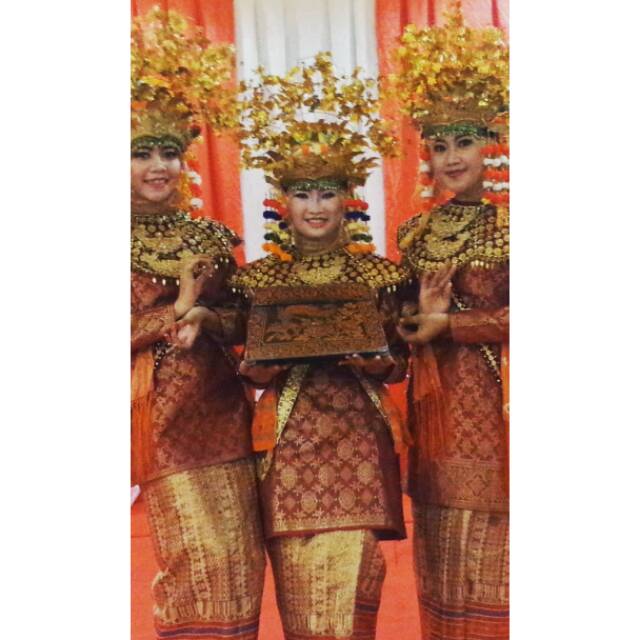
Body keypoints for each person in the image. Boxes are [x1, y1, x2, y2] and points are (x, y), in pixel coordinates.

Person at [230, 53, 411, 640]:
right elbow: (243, 366)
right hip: (287, 443)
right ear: (282, 202)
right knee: (301, 587)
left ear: (347, 200)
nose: (314, 207)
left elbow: (398, 363)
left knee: (352, 579)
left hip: (357, 438)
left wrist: (378, 363)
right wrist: (258, 369)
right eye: (302, 194)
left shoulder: (381, 277)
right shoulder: (256, 282)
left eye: (326, 193)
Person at [130, 9, 264, 639]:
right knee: (194, 559)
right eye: (141, 153)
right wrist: (173, 310)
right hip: (160, 420)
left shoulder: (210, 235)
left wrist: (207, 314)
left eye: (169, 152)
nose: (159, 165)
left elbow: (242, 321)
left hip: (223, 411)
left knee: (239, 560)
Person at [392, 3, 510, 638]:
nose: (452, 158)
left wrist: (454, 325)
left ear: (490, 144)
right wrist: (413, 320)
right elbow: (398, 319)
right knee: (439, 552)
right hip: (434, 415)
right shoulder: (414, 232)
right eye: (439, 146)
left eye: (463, 142)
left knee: (494, 552)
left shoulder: (516, 224)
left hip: (498, 410)